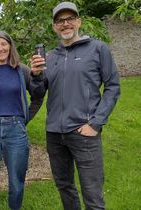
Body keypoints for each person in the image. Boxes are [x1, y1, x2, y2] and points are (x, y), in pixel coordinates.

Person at [30, 2, 120, 210]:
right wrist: (36, 75)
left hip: (84, 132)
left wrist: (96, 123)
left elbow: (113, 87)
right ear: (54, 26)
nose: (65, 24)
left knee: (92, 194)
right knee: (64, 186)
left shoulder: (98, 49)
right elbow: (38, 92)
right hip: (54, 133)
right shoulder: (50, 57)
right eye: (60, 21)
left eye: (70, 18)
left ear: (78, 21)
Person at [0, 30, 43, 210]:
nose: (0, 48)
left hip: (16, 130)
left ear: (10, 45)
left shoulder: (21, 70)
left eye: (3, 44)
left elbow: (38, 95)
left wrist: (25, 117)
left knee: (17, 183)